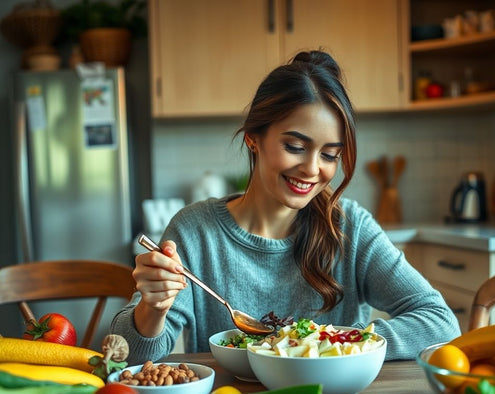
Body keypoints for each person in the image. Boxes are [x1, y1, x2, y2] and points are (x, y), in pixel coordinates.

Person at [111, 50, 460, 364]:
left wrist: (336, 343)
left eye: (329, 155)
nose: (312, 169)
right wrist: (152, 308)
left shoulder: (349, 226)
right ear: (253, 137)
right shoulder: (195, 231)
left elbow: (440, 322)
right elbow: (127, 356)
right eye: (295, 146)